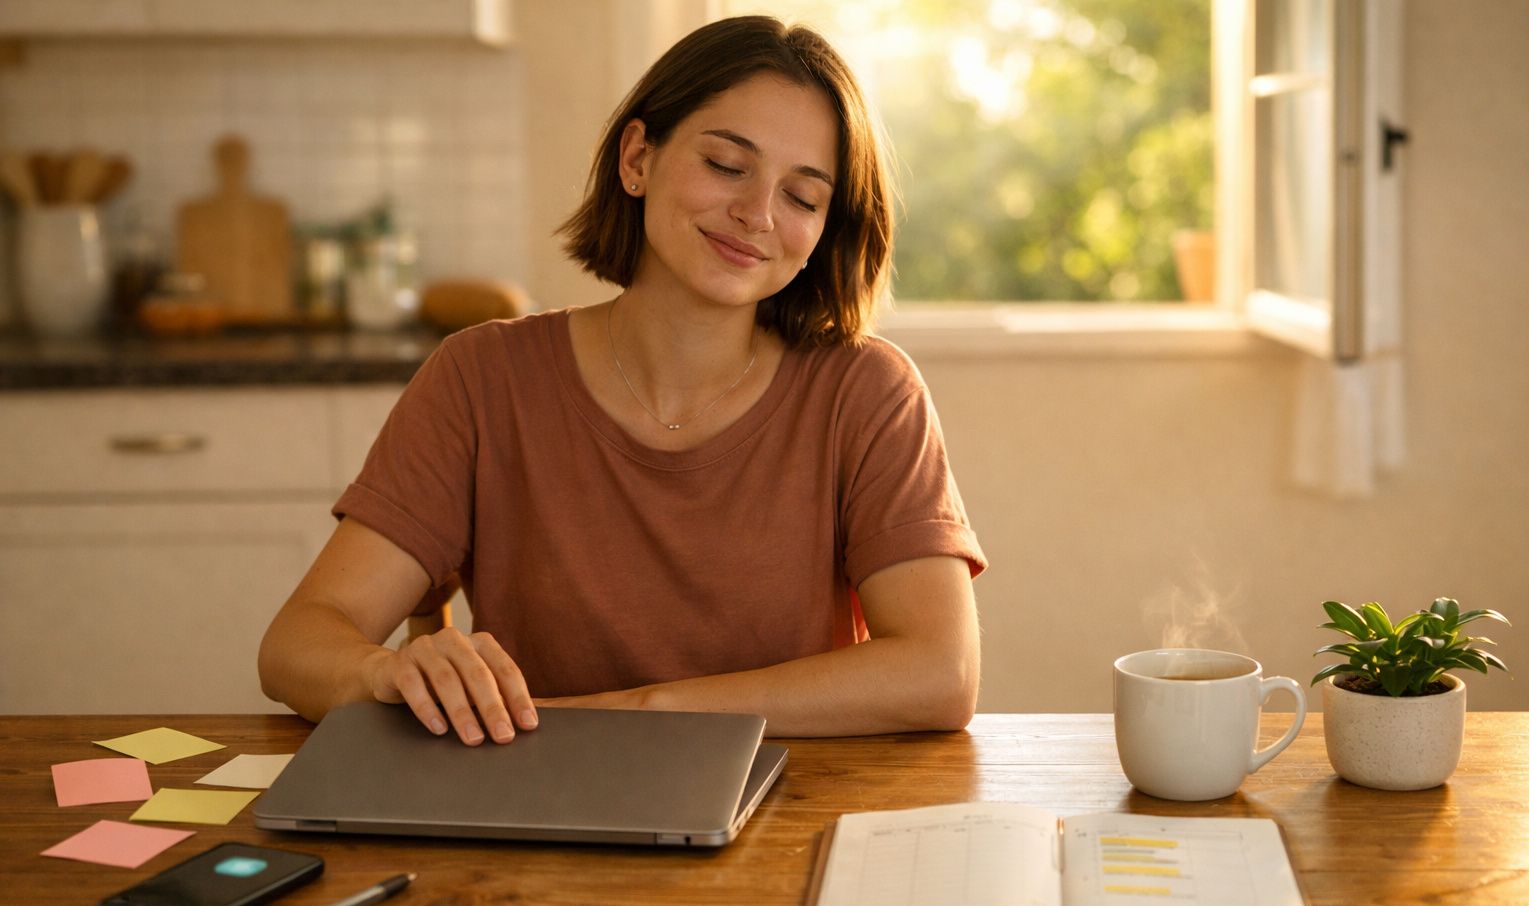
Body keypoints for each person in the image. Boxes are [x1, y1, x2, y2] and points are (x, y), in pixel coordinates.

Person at [258, 15, 986, 745]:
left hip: (791, 817)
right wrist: (381, 676)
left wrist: (648, 713)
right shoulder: (482, 379)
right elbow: (297, 645)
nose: (757, 213)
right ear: (637, 158)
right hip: (540, 820)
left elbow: (941, 673)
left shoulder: (866, 393)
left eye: (802, 197)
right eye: (727, 166)